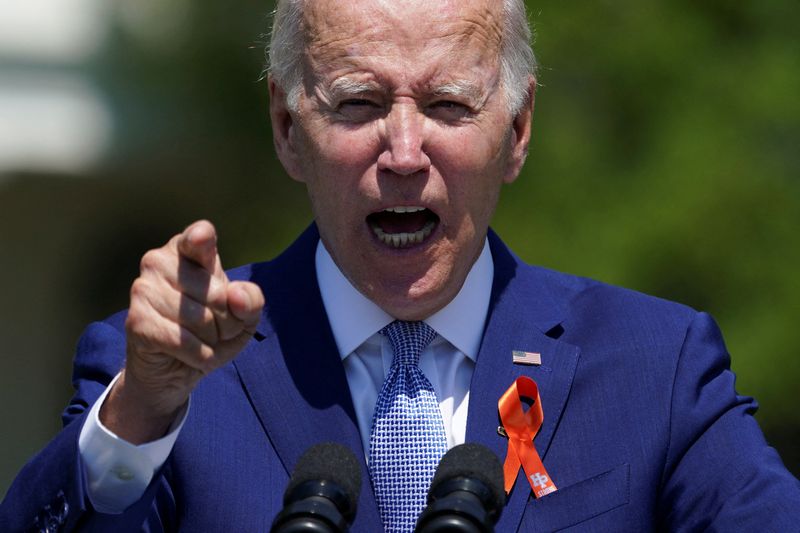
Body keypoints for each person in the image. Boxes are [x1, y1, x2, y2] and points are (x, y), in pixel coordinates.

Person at [2, 0, 799, 530]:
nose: (406, 153)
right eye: (359, 103)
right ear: (286, 127)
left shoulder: (655, 369)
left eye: (450, 104)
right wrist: (141, 410)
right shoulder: (169, 377)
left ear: (518, 130)